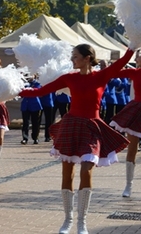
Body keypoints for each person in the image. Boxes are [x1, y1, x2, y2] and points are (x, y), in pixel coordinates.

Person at [19, 44, 133, 234]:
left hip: (92, 126)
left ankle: (82, 222)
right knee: (67, 173)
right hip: (71, 124)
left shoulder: (101, 75)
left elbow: (122, 62)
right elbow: (41, 91)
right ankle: (68, 219)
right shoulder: (68, 78)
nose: (73, 60)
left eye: (76, 56)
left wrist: (133, 46)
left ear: (87, 58)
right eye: (72, 56)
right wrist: (15, 91)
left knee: (87, 170)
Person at [111, 52, 141, 198]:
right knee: (132, 147)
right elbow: (114, 71)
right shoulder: (134, 72)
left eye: (139, 55)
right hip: (137, 109)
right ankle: (128, 184)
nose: (136, 58)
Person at [20, 74, 43, 145]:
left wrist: (27, 91)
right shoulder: (22, 83)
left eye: (30, 74)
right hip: (25, 106)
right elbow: (20, 93)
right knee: (25, 123)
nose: (28, 76)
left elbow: (37, 91)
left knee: (35, 123)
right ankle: (25, 138)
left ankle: (35, 138)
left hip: (35, 105)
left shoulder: (37, 83)